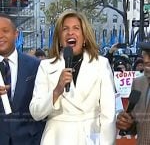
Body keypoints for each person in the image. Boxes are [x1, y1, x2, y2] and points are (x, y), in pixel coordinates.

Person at [29, 9, 116, 145]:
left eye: (76, 28)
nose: (70, 32)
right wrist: (57, 90)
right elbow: (36, 112)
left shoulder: (101, 64)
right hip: (55, 137)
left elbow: (108, 114)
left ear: (85, 36)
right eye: (65, 29)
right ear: (59, 38)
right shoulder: (45, 66)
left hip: (90, 136)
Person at [0, 13, 45, 145]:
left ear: (16, 34)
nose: (0, 36)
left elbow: (42, 105)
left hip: (28, 139)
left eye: (5, 31)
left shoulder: (35, 65)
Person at [116, 41, 150, 145]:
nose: (146, 60)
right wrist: (126, 123)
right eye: (145, 55)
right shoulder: (138, 83)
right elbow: (135, 125)